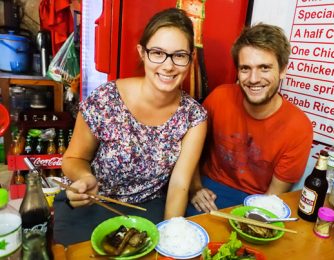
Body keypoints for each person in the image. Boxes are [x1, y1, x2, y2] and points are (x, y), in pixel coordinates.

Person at [53, 8, 207, 246]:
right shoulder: (105, 98)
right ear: (142, 53)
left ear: (190, 59)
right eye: (157, 53)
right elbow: (73, 158)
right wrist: (84, 178)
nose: (168, 66)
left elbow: (179, 185)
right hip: (95, 202)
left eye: (179, 55)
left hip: (147, 209)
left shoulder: (194, 116)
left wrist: (168, 237)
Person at [186, 23, 313, 216]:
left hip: (256, 201)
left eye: (264, 68)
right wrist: (194, 187)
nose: (253, 79)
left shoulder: (299, 127)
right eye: (245, 68)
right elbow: (191, 149)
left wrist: (250, 218)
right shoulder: (218, 98)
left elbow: (273, 196)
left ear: (283, 70)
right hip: (208, 189)